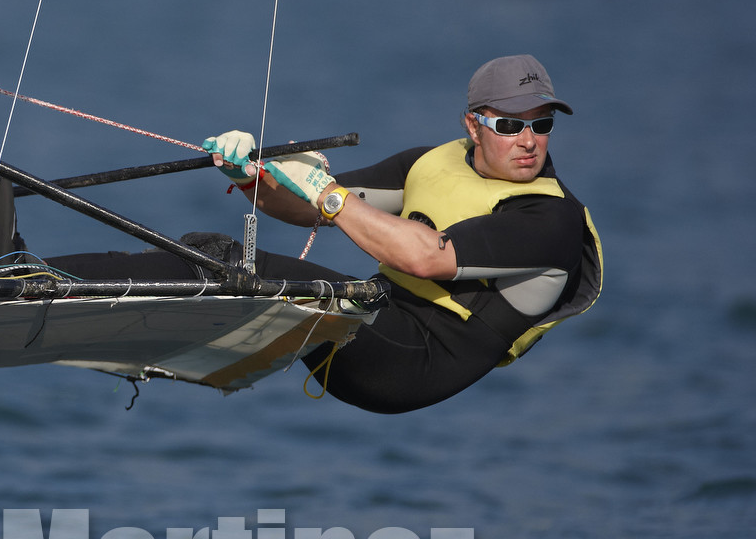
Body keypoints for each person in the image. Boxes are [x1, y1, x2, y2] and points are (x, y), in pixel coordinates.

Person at [48, 54, 602, 413]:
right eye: (510, 124)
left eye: (542, 123)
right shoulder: (433, 163)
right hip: (372, 319)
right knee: (209, 255)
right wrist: (252, 178)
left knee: (230, 265)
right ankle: (49, 286)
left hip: (411, 365)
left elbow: (426, 258)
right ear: (473, 124)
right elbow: (304, 208)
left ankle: (37, 282)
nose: (528, 139)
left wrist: (327, 194)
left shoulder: (551, 220)